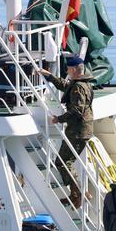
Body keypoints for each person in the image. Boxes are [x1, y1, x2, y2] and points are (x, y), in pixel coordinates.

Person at [41, 56, 95, 208]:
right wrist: (50, 76)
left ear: (73, 70)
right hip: (81, 129)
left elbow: (77, 110)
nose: (67, 71)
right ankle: (77, 193)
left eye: (68, 69)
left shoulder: (78, 87)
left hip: (78, 130)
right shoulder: (83, 84)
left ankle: (79, 193)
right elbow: (66, 86)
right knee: (66, 162)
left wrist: (59, 119)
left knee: (63, 162)